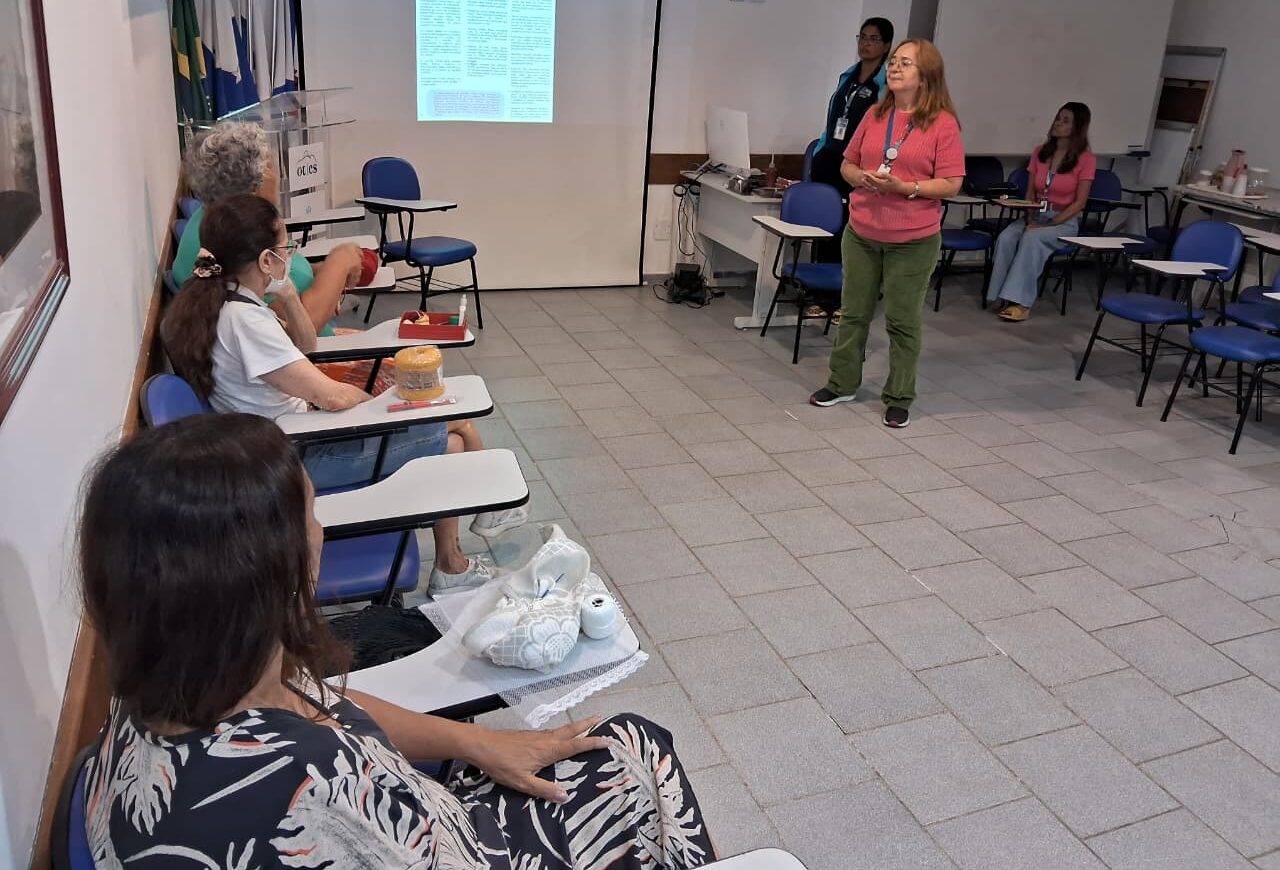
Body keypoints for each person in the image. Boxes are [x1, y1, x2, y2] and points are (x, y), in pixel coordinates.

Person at [79, 413, 715, 868]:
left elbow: (325, 701)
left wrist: (480, 742)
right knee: (637, 752)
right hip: (456, 843)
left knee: (623, 743)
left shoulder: (174, 679)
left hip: (420, 815)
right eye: (311, 514)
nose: (321, 532)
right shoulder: (308, 788)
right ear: (268, 565)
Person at [160, 194, 523, 592]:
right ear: (265, 261)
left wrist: (286, 293)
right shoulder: (245, 322)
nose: (290, 256)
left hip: (283, 441)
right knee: (454, 432)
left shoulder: (226, 301)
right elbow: (332, 397)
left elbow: (307, 345)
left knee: (451, 435)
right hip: (299, 455)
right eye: (284, 250)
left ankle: (460, 556)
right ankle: (473, 540)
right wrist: (383, 412)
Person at [808, 39, 965, 429]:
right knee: (854, 314)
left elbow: (951, 183)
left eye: (905, 63)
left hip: (912, 241)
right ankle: (842, 383)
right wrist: (859, 177)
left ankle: (899, 396)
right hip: (862, 232)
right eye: (893, 62)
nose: (894, 68)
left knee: (901, 320)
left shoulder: (942, 123)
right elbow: (848, 164)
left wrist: (906, 188)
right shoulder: (877, 114)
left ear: (926, 75)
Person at [174, 122, 358, 337]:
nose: (280, 175)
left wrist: (326, 278)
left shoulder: (215, 220)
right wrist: (341, 260)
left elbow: (286, 275)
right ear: (255, 185)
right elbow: (298, 332)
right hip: (311, 357)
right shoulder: (233, 241)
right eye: (272, 165)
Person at [986, 102, 1096, 321]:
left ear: (1078, 127)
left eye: (1066, 121)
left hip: (1063, 222)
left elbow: (1079, 203)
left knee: (1032, 239)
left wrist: (1050, 224)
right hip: (1035, 215)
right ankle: (1001, 295)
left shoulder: (1086, 159)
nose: (1058, 124)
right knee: (1007, 237)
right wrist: (1029, 217)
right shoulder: (1040, 153)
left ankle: (1021, 302)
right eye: (1058, 118)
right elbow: (1030, 192)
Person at [811, 17, 895, 202]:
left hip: (855, 164)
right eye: (863, 37)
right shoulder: (847, 76)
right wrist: (820, 149)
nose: (866, 43)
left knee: (844, 221)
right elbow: (834, 116)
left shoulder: (886, 85)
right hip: (829, 156)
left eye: (874, 39)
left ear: (886, 46)